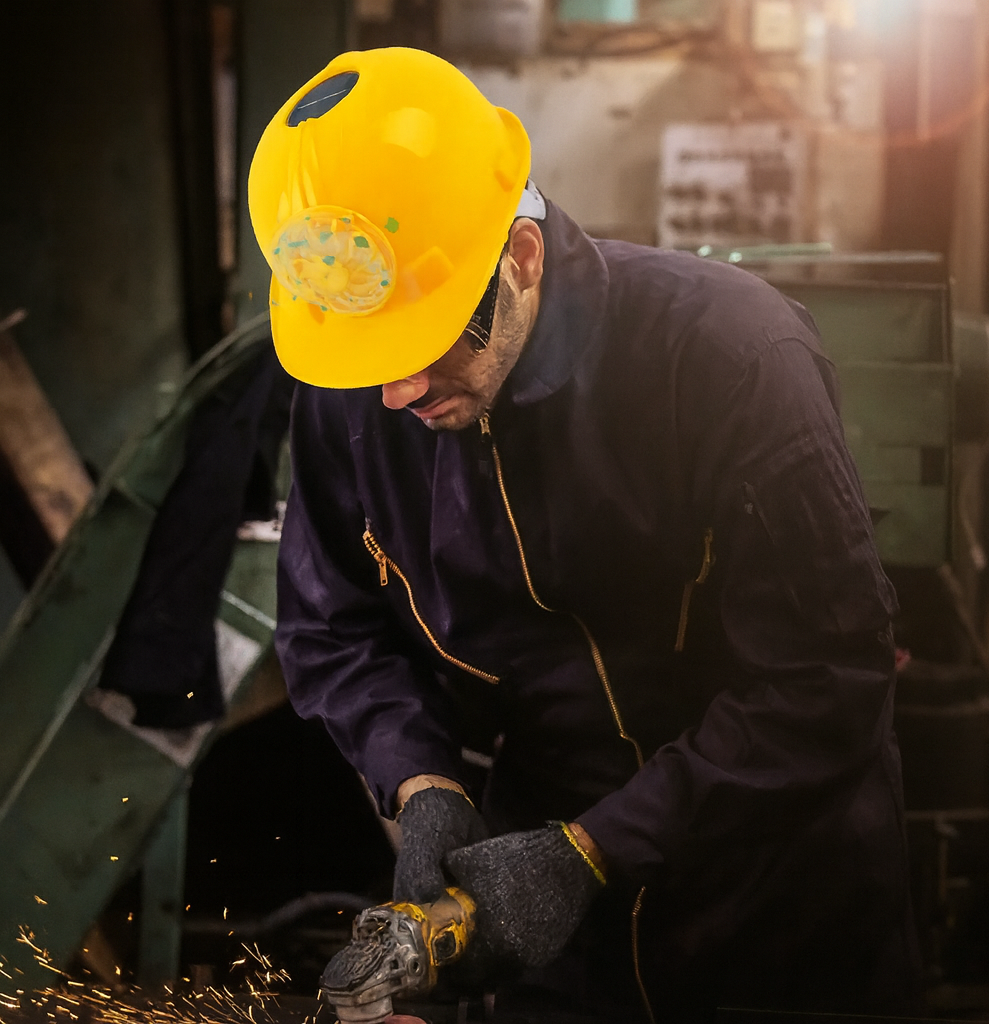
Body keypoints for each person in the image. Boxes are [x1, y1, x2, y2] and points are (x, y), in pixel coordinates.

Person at [250, 47, 921, 1022]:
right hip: (545, 933)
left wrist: (593, 851)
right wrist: (422, 780)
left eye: (426, 341)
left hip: (769, 910)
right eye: (370, 356)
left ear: (519, 258)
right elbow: (332, 630)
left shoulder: (730, 358)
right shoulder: (355, 395)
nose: (395, 392)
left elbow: (826, 679)